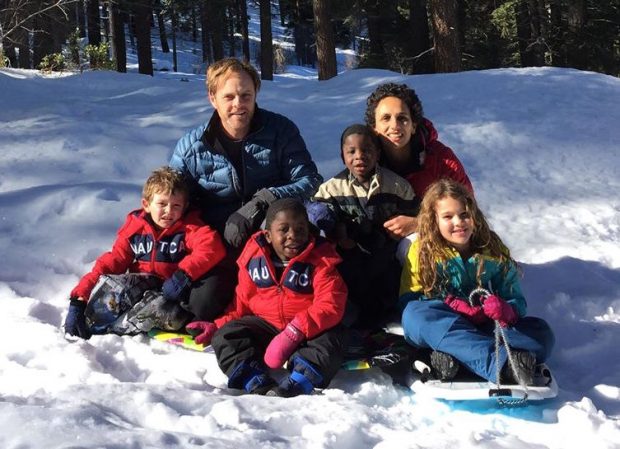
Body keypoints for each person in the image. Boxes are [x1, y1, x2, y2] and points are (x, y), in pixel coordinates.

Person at [169, 57, 322, 321]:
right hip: (220, 244)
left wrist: (264, 199)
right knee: (201, 306)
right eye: (229, 97)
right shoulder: (191, 147)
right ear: (212, 98)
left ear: (255, 94)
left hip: (272, 238)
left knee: (294, 302)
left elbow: (309, 180)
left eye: (245, 95)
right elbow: (172, 199)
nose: (238, 104)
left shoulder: (279, 131)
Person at [185, 198, 347, 397]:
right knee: (226, 336)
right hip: (266, 326)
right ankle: (253, 378)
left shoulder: (322, 260)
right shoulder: (254, 260)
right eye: (284, 229)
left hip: (306, 331)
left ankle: (298, 382)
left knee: (332, 341)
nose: (293, 235)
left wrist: (295, 330)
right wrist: (218, 326)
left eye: (300, 229)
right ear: (269, 235)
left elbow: (331, 304)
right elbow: (242, 303)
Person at [399, 179, 554, 384]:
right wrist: (450, 304)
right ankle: (502, 366)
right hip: (444, 325)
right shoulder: (422, 251)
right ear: (434, 220)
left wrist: (506, 309)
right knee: (416, 317)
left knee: (541, 334)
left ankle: (450, 358)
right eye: (448, 217)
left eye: (464, 214)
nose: (459, 222)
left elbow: (515, 299)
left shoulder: (492, 249)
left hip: (483, 327)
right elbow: (410, 300)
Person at [63, 167, 226, 339]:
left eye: (176, 205)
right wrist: (78, 301)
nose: (169, 211)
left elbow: (211, 247)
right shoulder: (135, 228)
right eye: (162, 204)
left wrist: (183, 275)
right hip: (142, 286)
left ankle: (143, 323)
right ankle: (89, 321)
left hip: (175, 292)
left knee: (164, 311)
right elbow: (113, 261)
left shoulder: (189, 227)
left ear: (185, 207)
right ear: (146, 205)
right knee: (110, 289)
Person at [307, 124, 419, 329]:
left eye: (366, 150)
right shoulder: (333, 187)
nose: (359, 156)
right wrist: (330, 224)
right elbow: (315, 211)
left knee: (388, 284)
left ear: (377, 154)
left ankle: (394, 318)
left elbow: (414, 213)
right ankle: (354, 323)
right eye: (352, 152)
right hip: (348, 254)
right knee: (351, 287)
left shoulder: (396, 186)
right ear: (342, 156)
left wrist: (404, 226)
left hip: (386, 252)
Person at [364, 83, 474, 257]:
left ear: (414, 125)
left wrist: (419, 224)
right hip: (380, 251)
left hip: (437, 246)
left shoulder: (440, 159)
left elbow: (468, 212)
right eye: (386, 118)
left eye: (402, 118)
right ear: (374, 128)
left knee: (413, 245)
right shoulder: (364, 162)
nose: (395, 126)